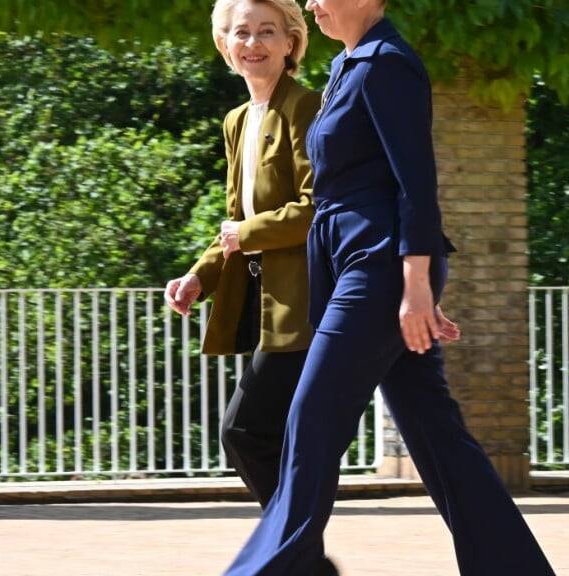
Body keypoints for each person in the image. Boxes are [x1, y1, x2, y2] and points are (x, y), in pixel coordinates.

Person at [223, 1, 556, 575]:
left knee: (312, 418)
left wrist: (416, 285)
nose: (310, 3)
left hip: (376, 268)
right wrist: (418, 285)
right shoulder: (348, 66)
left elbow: (416, 184)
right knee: (435, 434)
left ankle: (265, 570)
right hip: (357, 265)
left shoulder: (388, 64)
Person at [166, 1, 459, 574]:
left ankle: (293, 559)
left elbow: (319, 205)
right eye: (240, 33)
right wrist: (200, 276)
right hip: (280, 297)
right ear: (224, 45)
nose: (253, 43)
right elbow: (234, 218)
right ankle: (299, 557)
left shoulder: (312, 102)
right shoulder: (238, 120)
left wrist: (417, 281)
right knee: (426, 433)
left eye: (267, 31)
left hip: (319, 291)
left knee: (259, 429)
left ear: (290, 42)